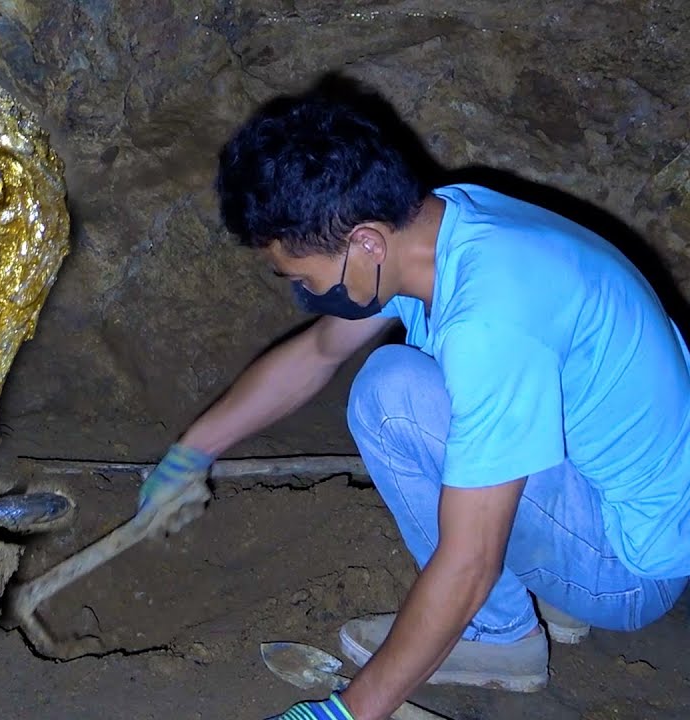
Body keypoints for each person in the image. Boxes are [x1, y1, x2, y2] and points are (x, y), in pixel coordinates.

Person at [136, 82, 690, 720]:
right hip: (622, 497)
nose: (308, 295)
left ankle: (499, 638)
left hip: (634, 568)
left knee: (391, 397)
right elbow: (317, 354)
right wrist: (190, 454)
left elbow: (471, 558)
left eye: (304, 278)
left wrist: (350, 712)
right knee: (392, 382)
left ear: (366, 242)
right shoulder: (441, 226)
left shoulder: (491, 323)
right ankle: (546, 594)